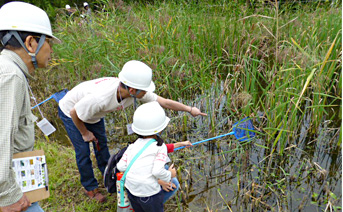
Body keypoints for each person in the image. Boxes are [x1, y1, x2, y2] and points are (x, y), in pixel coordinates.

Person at [57, 60, 207, 203]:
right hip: (71, 112)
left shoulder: (133, 90)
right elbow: (74, 112)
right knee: (83, 152)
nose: (147, 93)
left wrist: (190, 109)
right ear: (132, 90)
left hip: (94, 115)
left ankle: (108, 176)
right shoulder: (100, 98)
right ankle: (91, 188)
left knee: (102, 145)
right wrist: (84, 133)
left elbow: (164, 102)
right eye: (145, 90)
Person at [0, 2, 60, 212]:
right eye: (49, 43)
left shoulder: (10, 71)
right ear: (31, 43)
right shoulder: (10, 76)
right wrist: (7, 196)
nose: (51, 50)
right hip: (9, 196)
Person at [117, 101, 177, 212]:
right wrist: (170, 174)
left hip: (131, 190)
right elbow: (157, 172)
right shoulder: (160, 146)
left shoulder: (132, 145)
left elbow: (121, 166)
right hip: (149, 194)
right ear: (160, 129)